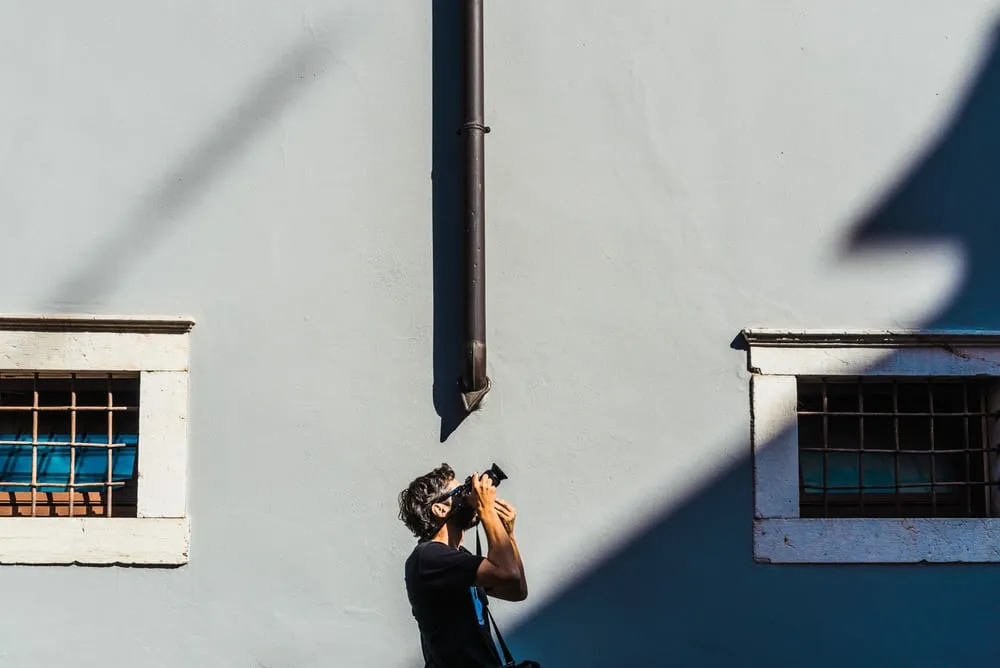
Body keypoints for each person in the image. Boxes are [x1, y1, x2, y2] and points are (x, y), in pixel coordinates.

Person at [398, 463, 528, 667]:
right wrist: (486, 510)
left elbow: (516, 590)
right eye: (460, 492)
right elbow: (508, 573)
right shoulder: (428, 558)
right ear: (440, 509)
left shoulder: (457, 557)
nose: (469, 496)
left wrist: (509, 535)